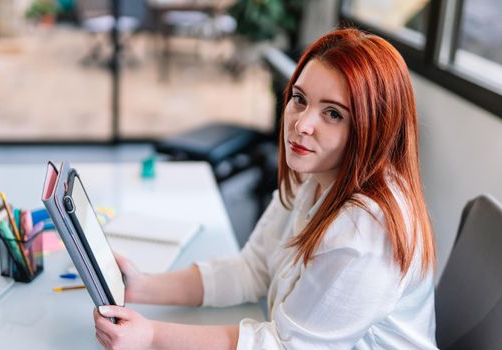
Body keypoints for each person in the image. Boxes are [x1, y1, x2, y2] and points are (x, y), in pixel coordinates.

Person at [93, 27, 437, 349]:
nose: (302, 124)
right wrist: (141, 285)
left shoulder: (366, 234)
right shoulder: (315, 171)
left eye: (333, 113)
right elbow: (253, 268)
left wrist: (152, 334)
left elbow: (285, 346)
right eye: (300, 99)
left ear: (372, 128)